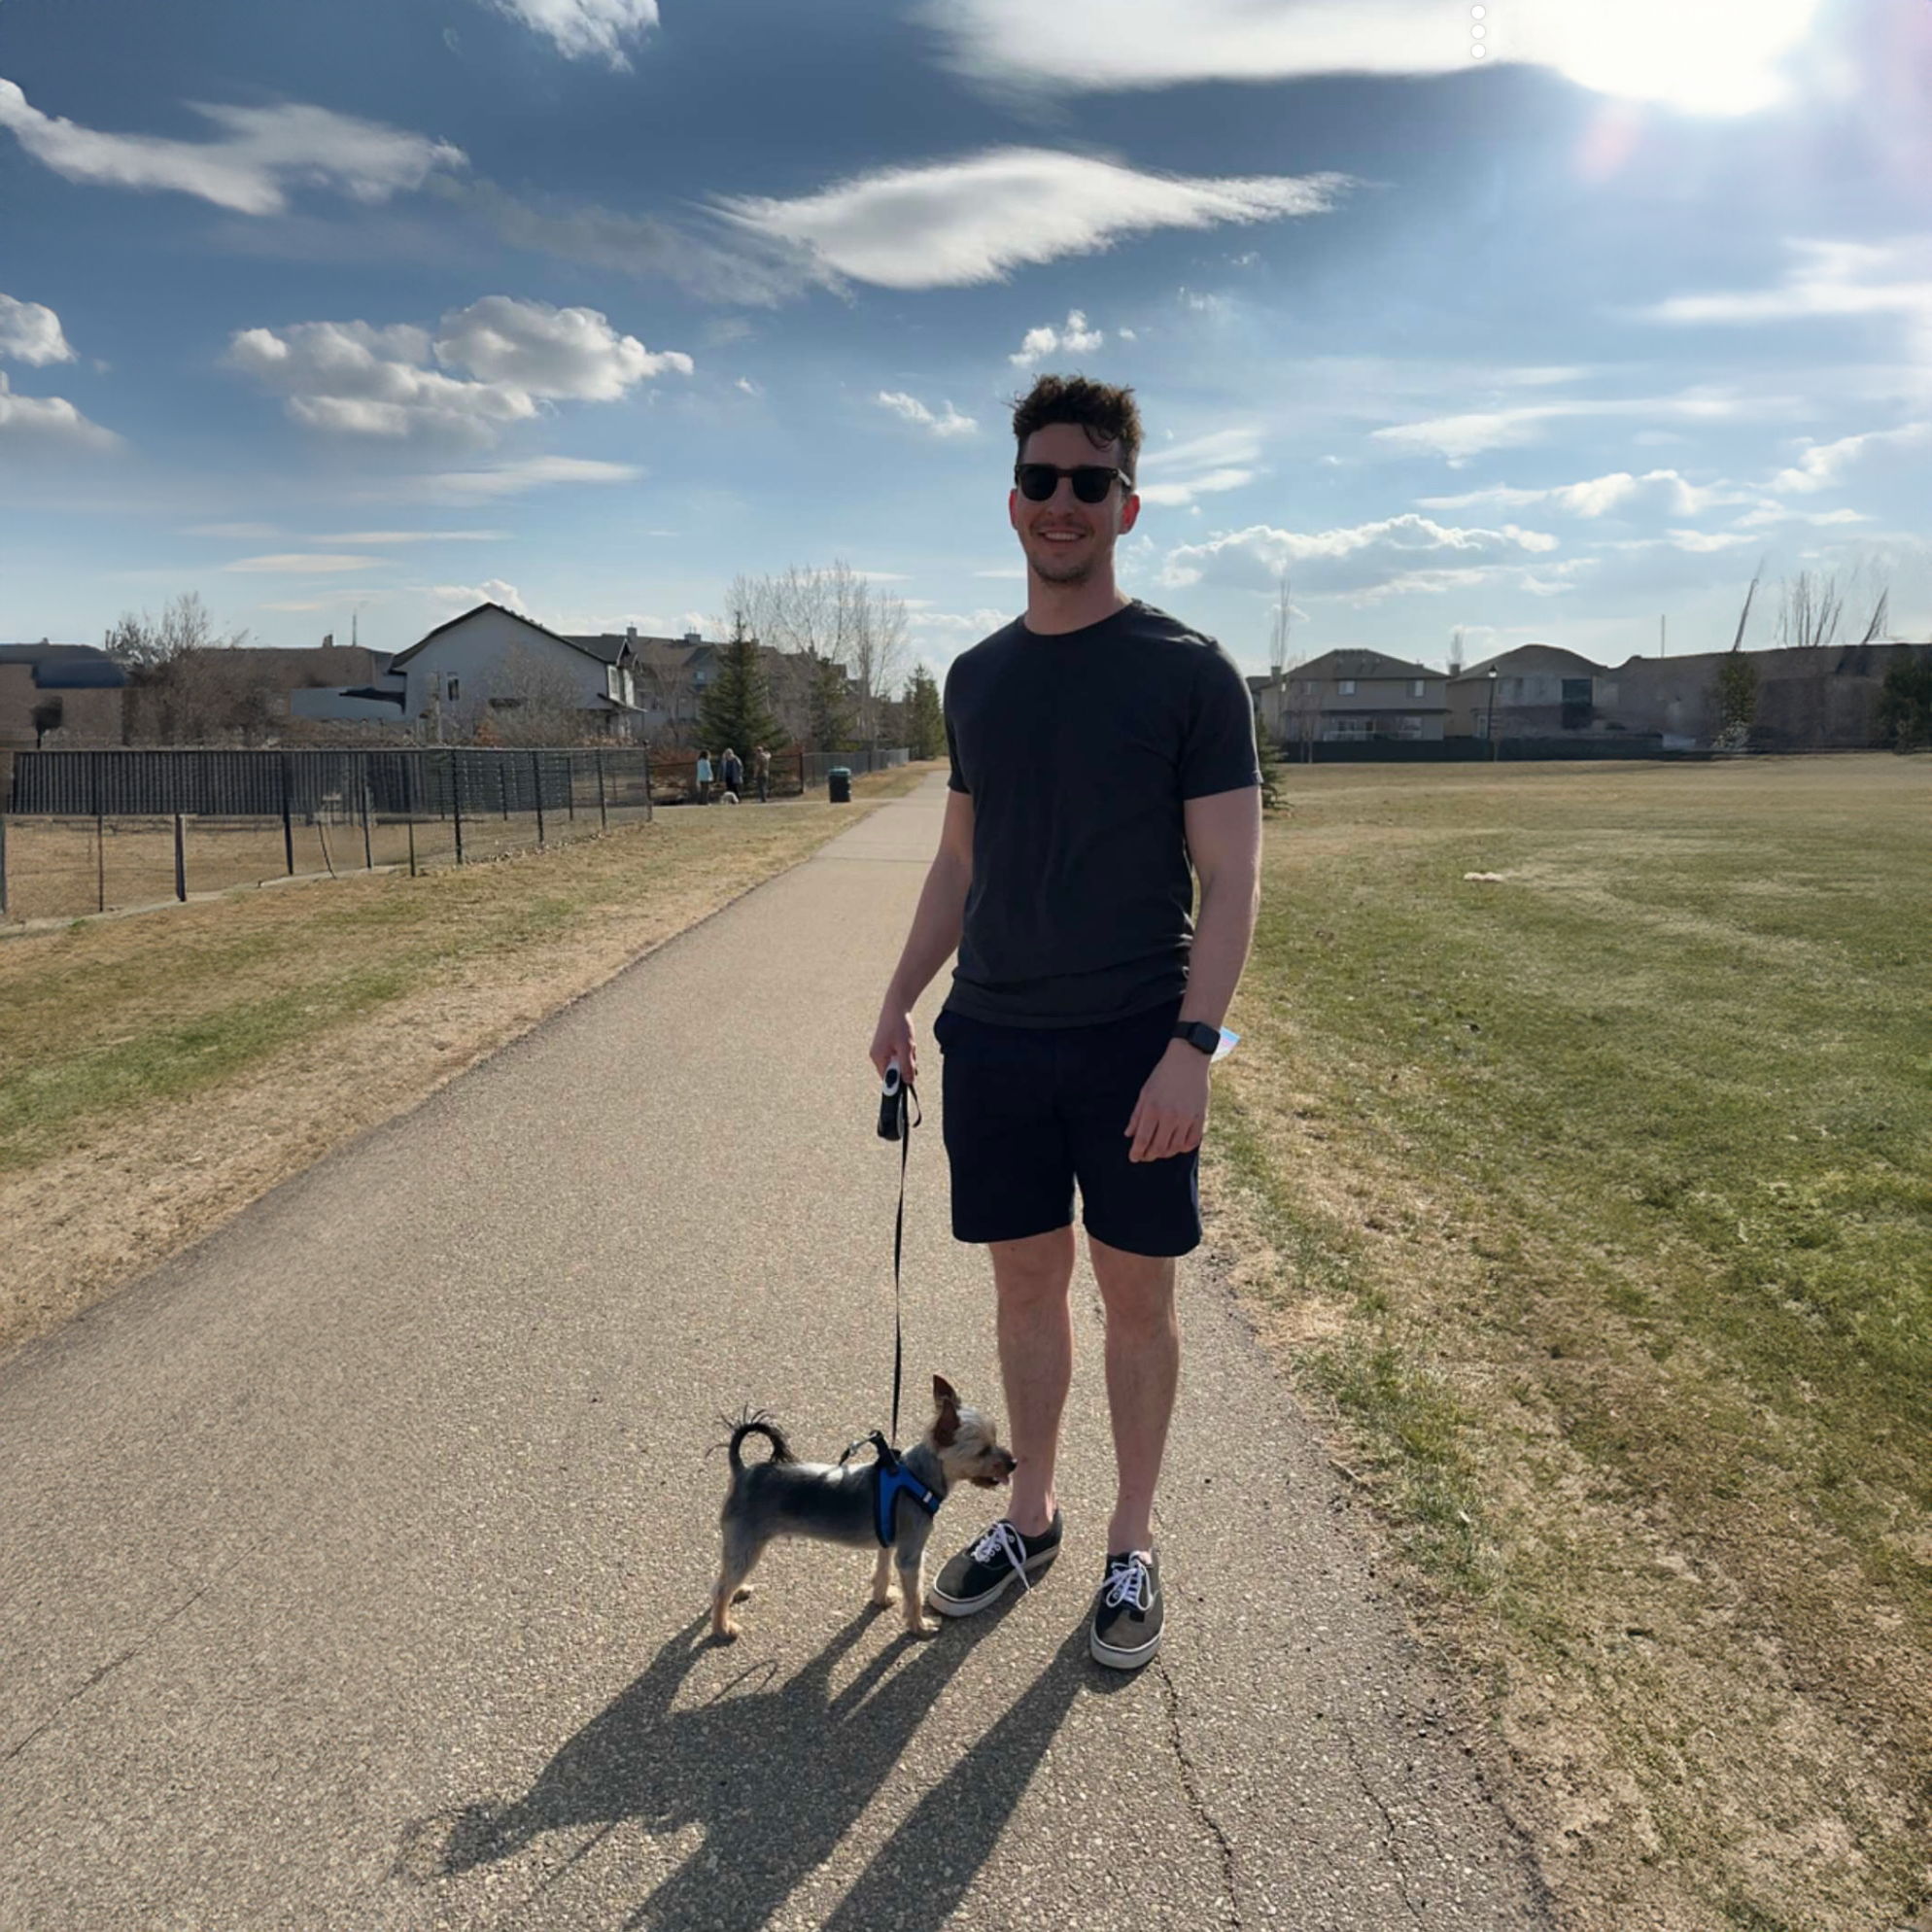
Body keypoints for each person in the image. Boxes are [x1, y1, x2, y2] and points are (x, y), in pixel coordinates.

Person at [869, 373, 1261, 1671]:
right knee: (1026, 1291)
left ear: (1126, 506)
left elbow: (1234, 877)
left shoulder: (1190, 673)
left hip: (1132, 1043)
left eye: (1088, 482)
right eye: (1040, 479)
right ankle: (1026, 1518)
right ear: (1012, 501)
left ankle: (1131, 1542)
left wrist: (1193, 1049)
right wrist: (899, 995)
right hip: (996, 1040)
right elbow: (957, 862)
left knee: (1133, 1300)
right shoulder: (975, 679)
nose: (1062, 502)